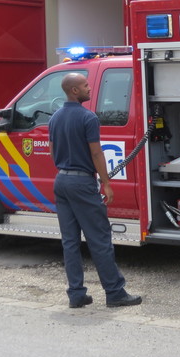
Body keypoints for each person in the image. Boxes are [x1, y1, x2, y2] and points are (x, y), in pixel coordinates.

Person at [48, 73, 142, 308]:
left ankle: (76, 294)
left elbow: (52, 150)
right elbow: (96, 153)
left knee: (69, 241)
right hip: (82, 183)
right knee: (99, 238)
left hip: (61, 181)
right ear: (74, 91)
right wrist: (106, 182)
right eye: (85, 85)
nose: (90, 89)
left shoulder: (55, 118)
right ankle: (115, 292)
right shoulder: (88, 118)